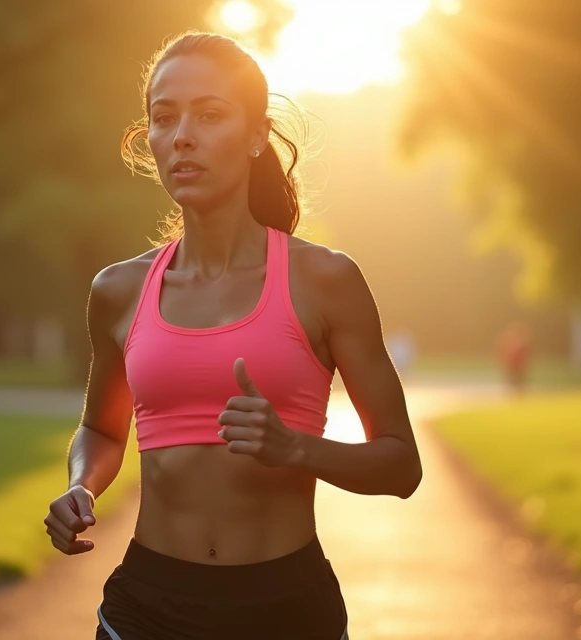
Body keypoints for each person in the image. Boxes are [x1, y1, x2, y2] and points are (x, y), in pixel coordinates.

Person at [43, 31, 423, 640]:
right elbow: (102, 429)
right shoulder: (118, 290)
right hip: (147, 607)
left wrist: (295, 447)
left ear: (255, 136)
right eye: (163, 118)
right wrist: (80, 487)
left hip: (287, 608)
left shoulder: (326, 281)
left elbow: (402, 465)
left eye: (209, 114)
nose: (182, 135)